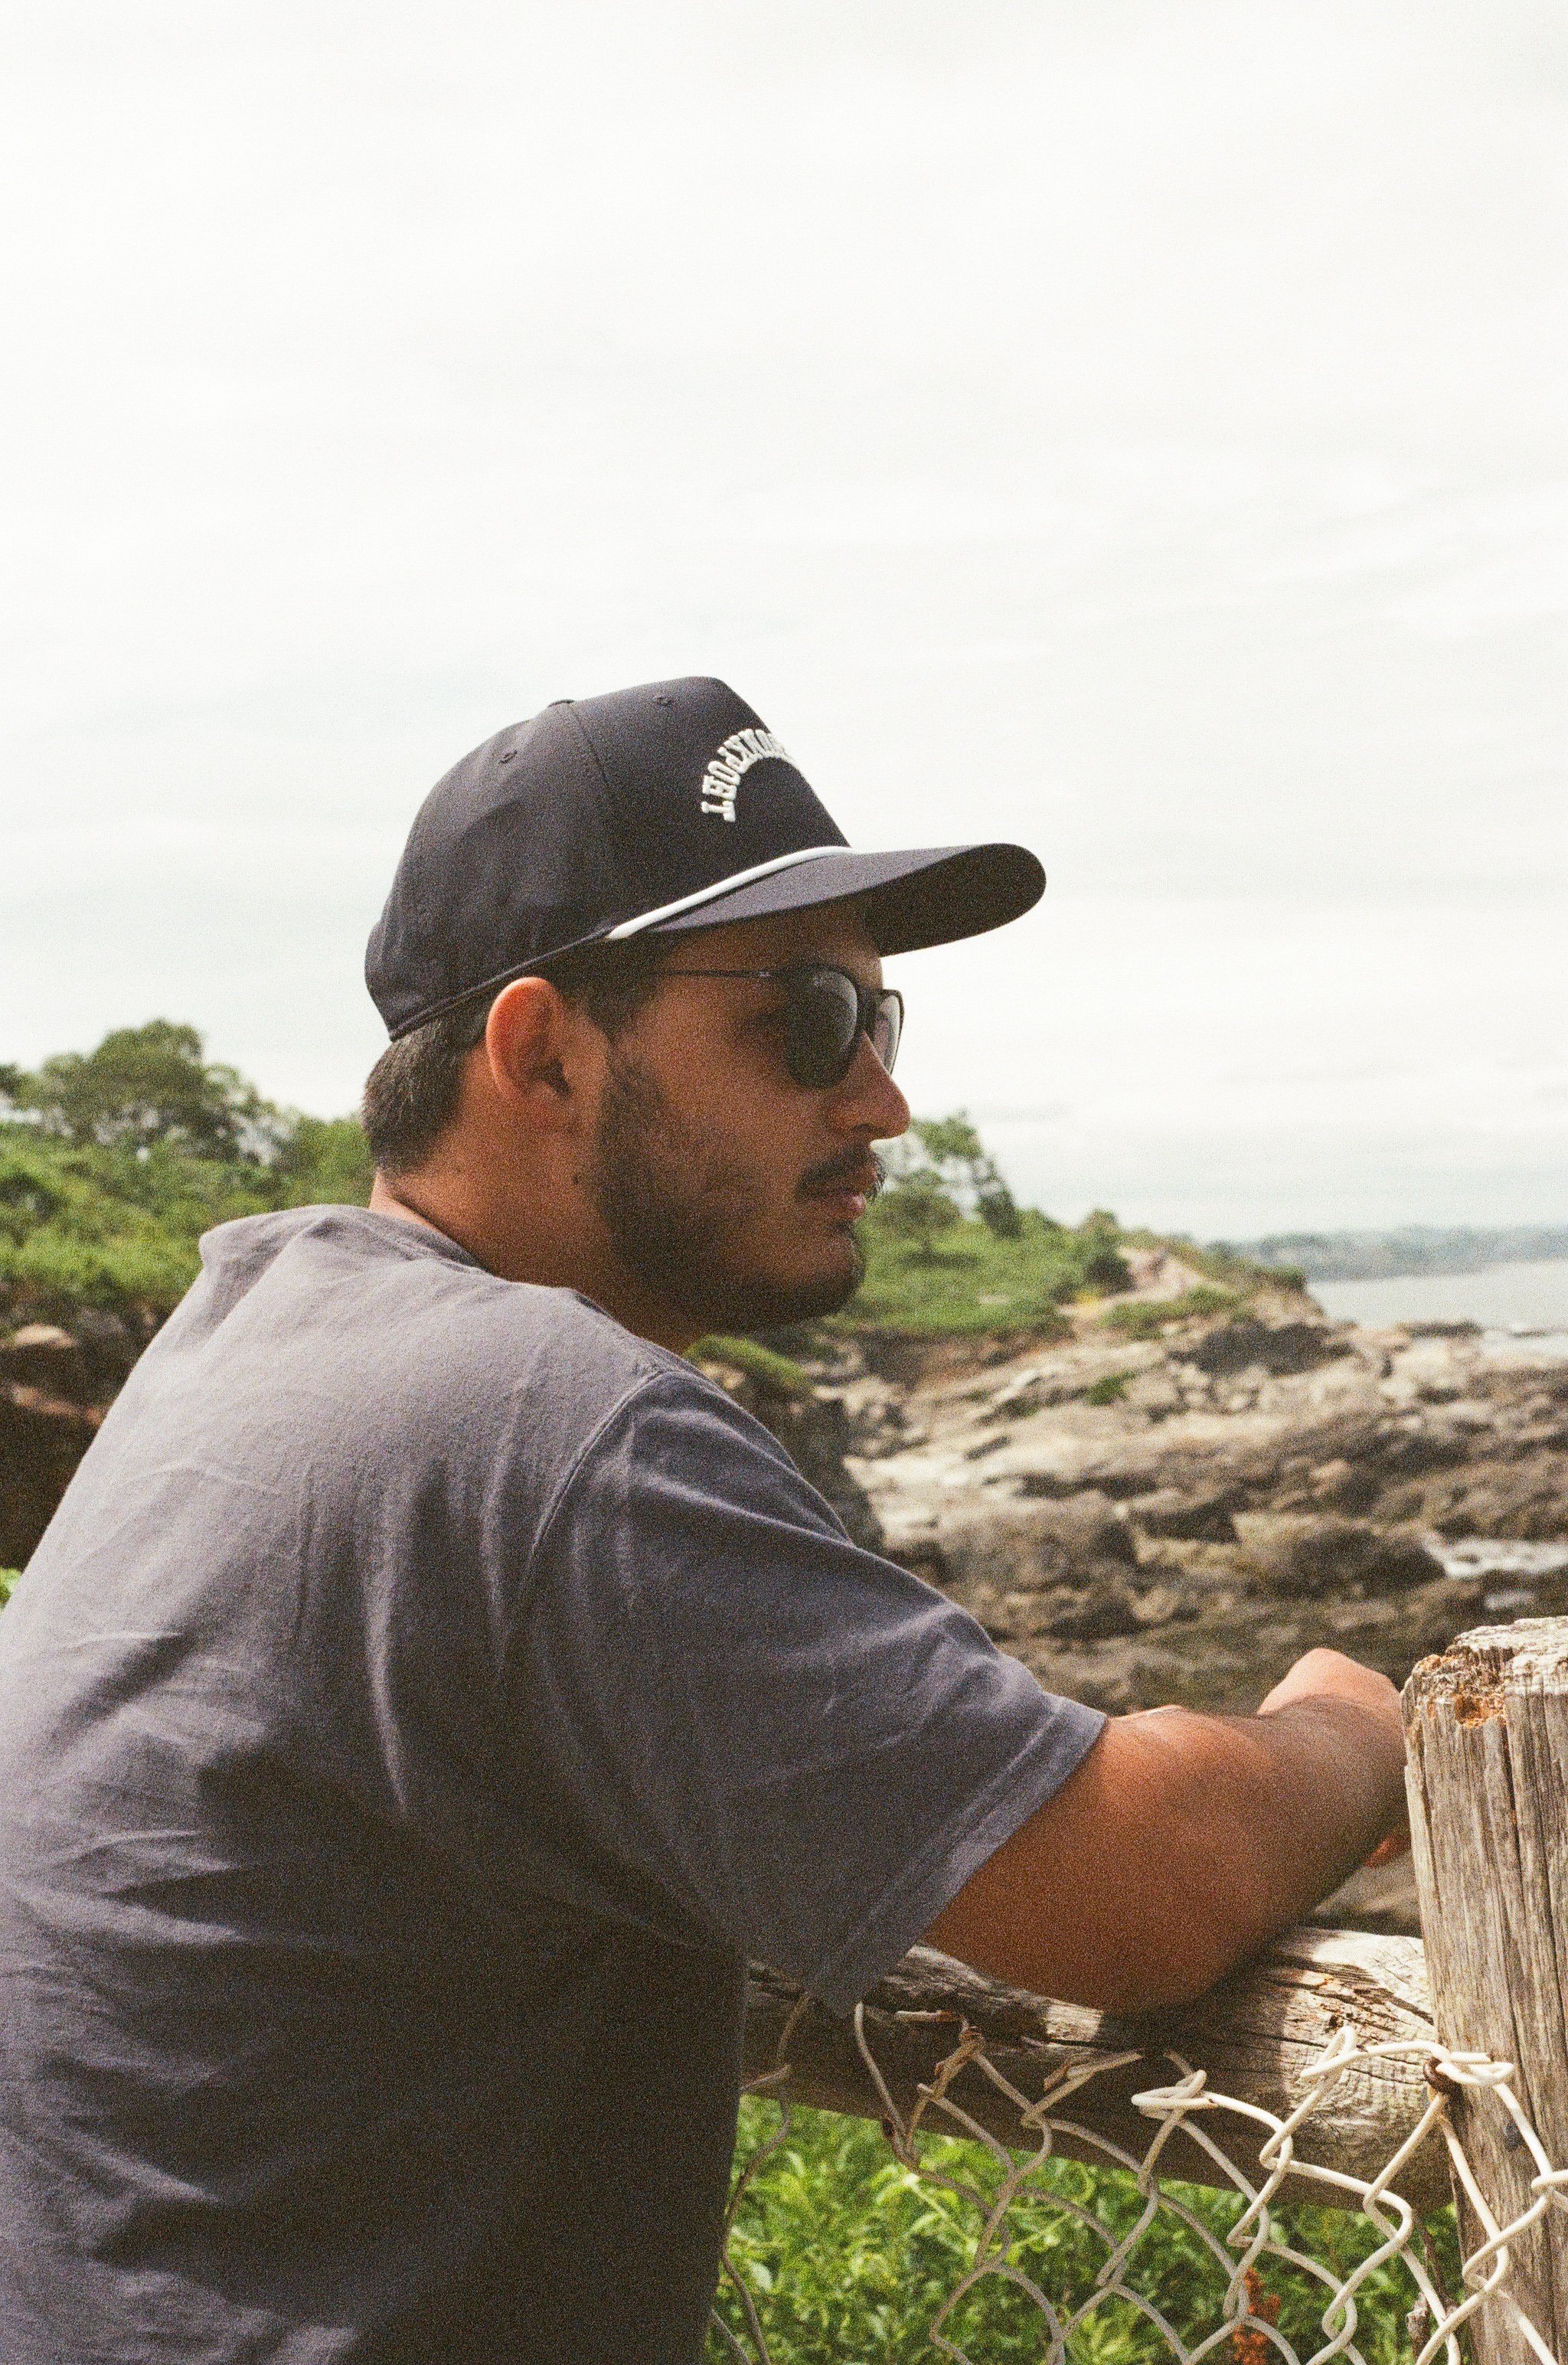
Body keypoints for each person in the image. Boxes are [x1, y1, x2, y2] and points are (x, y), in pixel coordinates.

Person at [0, 678, 1408, 2364]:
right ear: (540, 1052)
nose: (878, 1103)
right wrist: (1356, 1722)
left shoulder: (246, 1338)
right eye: (808, 1021)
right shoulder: (535, 1421)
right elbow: (1138, 1882)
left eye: (884, 1031)